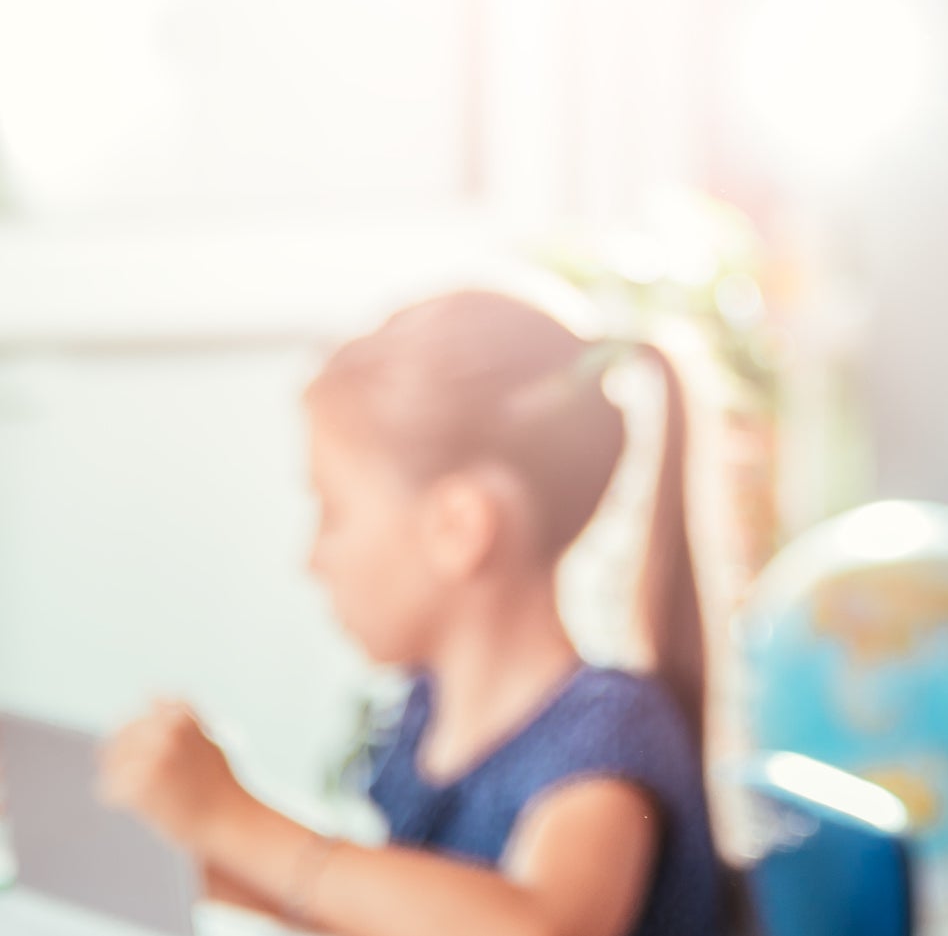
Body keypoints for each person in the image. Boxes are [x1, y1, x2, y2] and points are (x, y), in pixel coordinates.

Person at [99, 291, 726, 936]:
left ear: (456, 527)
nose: (311, 559)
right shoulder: (425, 712)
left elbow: (540, 926)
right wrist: (217, 863)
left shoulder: (611, 730)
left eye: (334, 512)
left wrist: (234, 819)